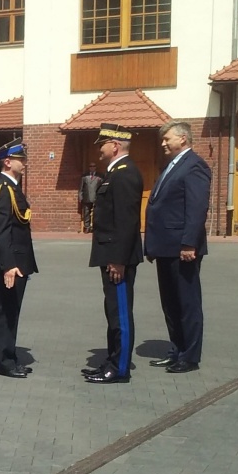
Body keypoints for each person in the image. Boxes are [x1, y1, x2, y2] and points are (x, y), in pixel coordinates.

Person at [145, 120, 212, 374]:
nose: (163, 143)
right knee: (170, 303)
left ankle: (190, 356)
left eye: (167, 139)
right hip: (165, 247)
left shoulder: (195, 166)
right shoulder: (172, 166)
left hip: (182, 248)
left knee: (187, 302)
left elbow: (196, 209)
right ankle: (177, 349)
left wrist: (188, 243)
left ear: (183, 139)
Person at [83, 124, 143, 384]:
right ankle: (112, 359)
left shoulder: (125, 174)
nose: (100, 148)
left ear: (115, 145)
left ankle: (119, 369)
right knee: (112, 311)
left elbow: (127, 222)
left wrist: (117, 259)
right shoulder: (114, 173)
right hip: (110, 254)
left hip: (118, 258)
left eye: (103, 143)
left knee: (120, 312)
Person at [0, 139, 37, 379]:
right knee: (5, 312)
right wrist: (8, 265)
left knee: (12, 312)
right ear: (8, 162)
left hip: (18, 260)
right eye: (21, 159)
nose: (24, 163)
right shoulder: (2, 188)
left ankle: (10, 356)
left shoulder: (13, 187)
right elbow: (1, 230)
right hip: (10, 263)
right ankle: (3, 362)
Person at [79, 162, 102, 233]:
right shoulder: (84, 177)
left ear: (95, 167)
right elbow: (81, 188)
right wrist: (80, 197)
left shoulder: (99, 176)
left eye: (93, 166)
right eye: (90, 166)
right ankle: (87, 227)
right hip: (86, 197)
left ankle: (95, 227)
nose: (92, 167)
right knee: (86, 213)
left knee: (96, 213)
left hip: (96, 198)